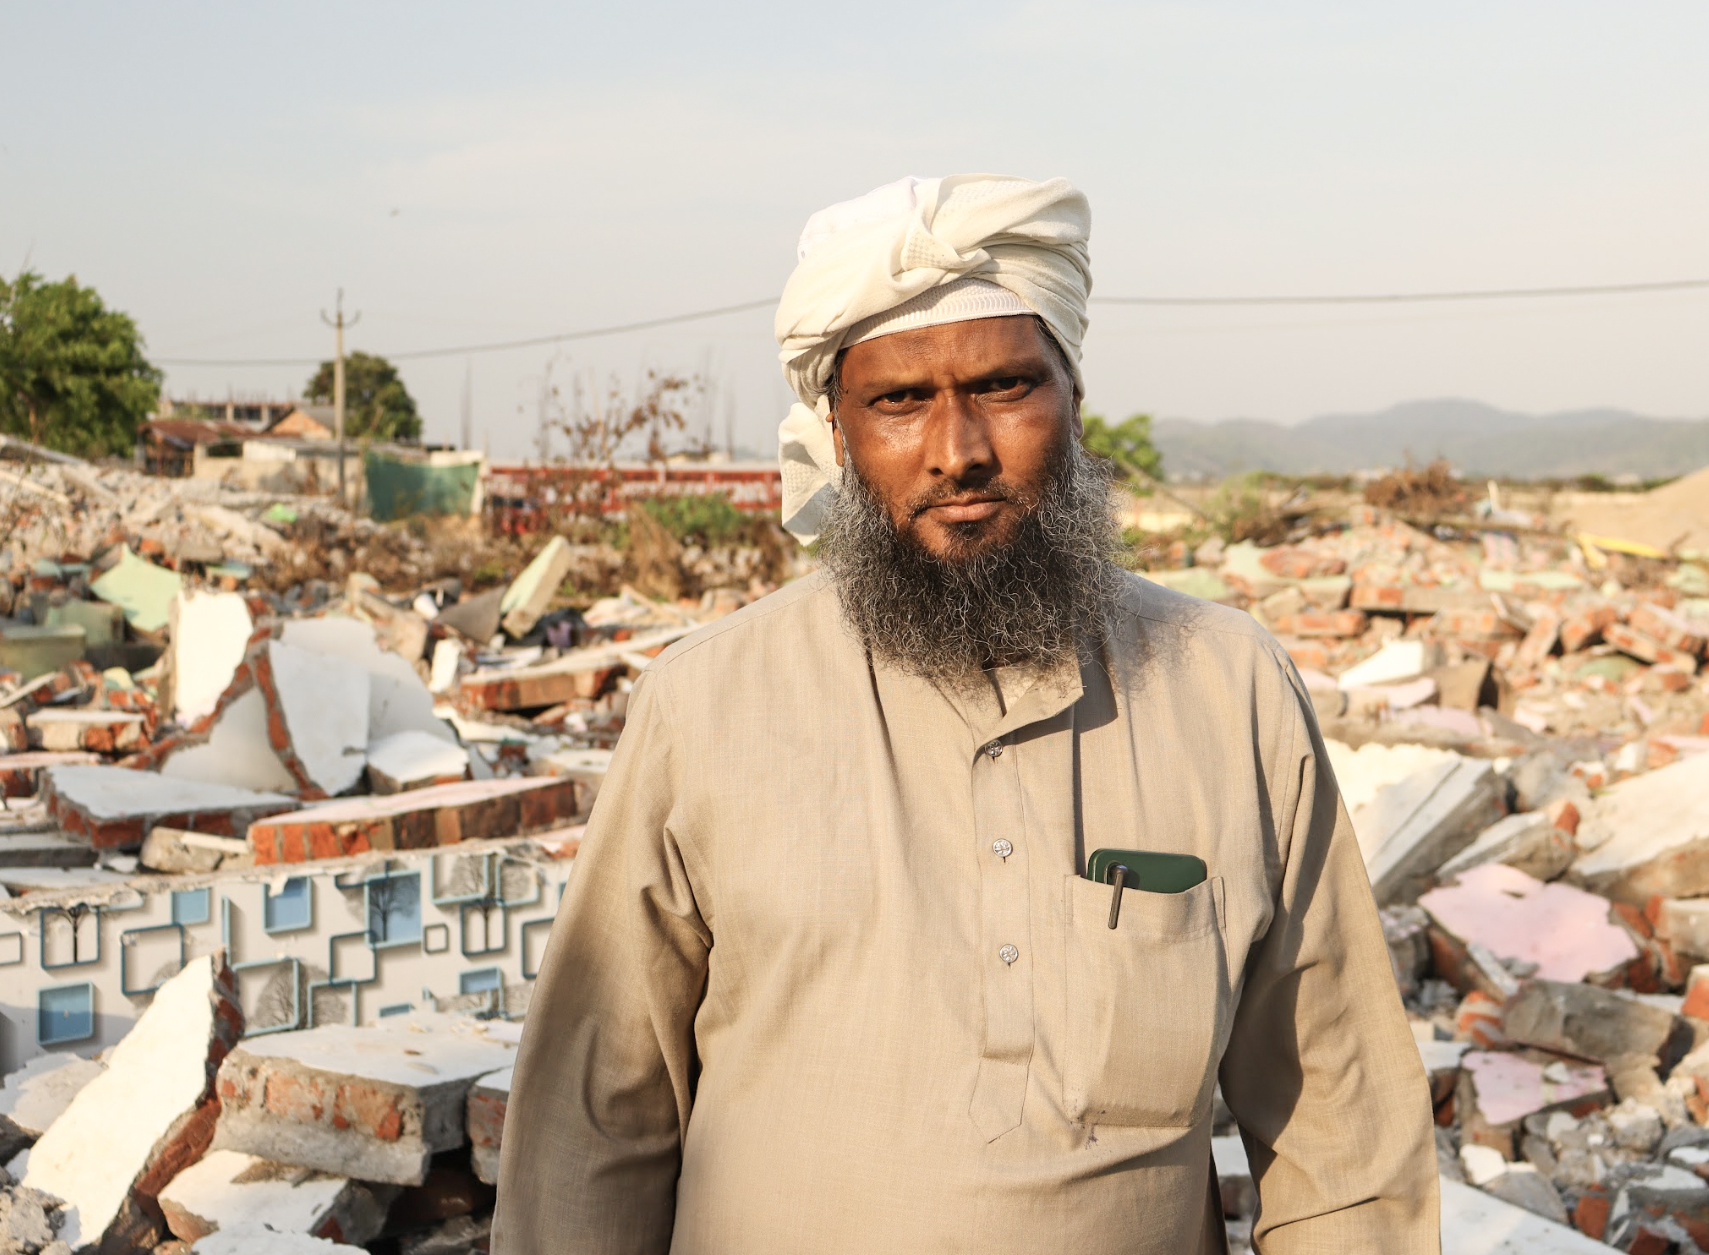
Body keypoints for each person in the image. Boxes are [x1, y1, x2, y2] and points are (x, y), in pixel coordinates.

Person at [491, 174, 1438, 1254]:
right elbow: (593, 1125)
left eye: (1001, 386)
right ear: (838, 433)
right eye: (898, 401)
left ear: (1071, 398)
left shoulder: (1227, 689)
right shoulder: (706, 703)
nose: (957, 451)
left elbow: (1342, 1129)